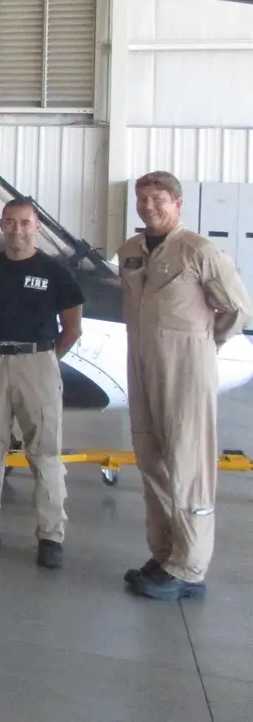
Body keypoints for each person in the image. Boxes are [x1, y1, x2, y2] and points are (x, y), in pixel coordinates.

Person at [117, 171, 252, 600]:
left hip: (187, 371)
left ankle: (190, 568)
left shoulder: (199, 250)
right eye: (142, 199)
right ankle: (165, 554)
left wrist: (199, 345)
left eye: (158, 198)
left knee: (189, 465)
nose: (148, 206)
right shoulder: (131, 252)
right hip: (141, 368)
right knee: (151, 459)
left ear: (177, 203)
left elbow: (236, 309)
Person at [0, 198, 83, 569]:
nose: (17, 230)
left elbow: (72, 328)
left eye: (24, 223)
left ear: (36, 226)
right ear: (2, 224)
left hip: (38, 362)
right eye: (10, 222)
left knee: (44, 450)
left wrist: (44, 359)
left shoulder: (56, 274)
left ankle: (51, 535)